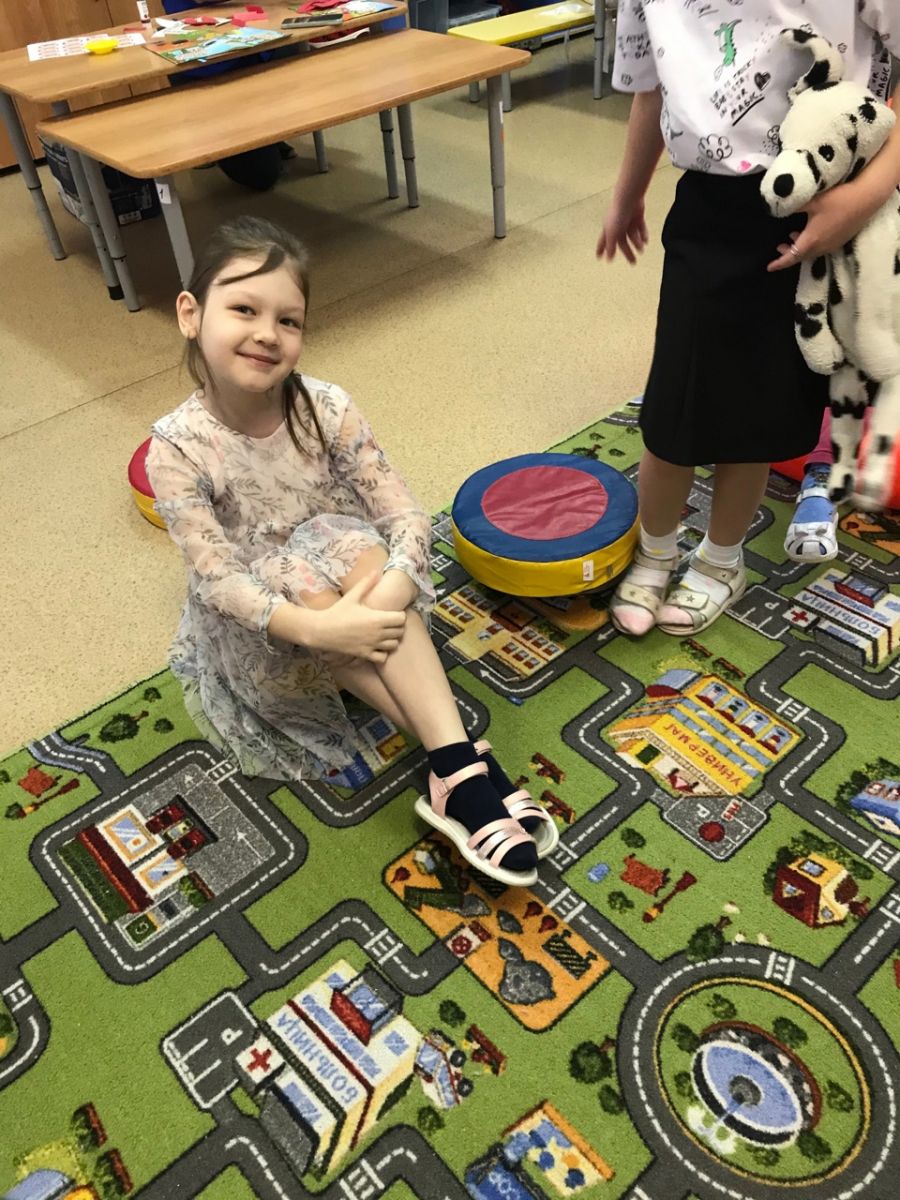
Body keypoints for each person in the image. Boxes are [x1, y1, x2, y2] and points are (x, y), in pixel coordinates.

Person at [146, 216, 546, 886]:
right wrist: (319, 627)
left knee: (351, 540)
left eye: (289, 320)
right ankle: (464, 764)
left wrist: (392, 589)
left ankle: (453, 769)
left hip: (356, 587)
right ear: (191, 314)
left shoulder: (327, 407)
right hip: (274, 622)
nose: (267, 333)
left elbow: (404, 514)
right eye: (244, 309)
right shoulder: (175, 449)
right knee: (295, 571)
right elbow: (219, 580)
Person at [598, 1, 899, 635]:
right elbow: (652, 87)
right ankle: (656, 551)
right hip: (709, 207)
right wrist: (626, 195)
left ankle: (722, 560)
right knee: (675, 402)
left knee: (755, 409)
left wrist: (859, 201)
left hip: (820, 196)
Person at [161, 0, 298, 191]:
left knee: (294, 45)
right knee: (261, 177)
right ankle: (210, 139)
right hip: (205, 59)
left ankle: (269, 134)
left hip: (254, 37)